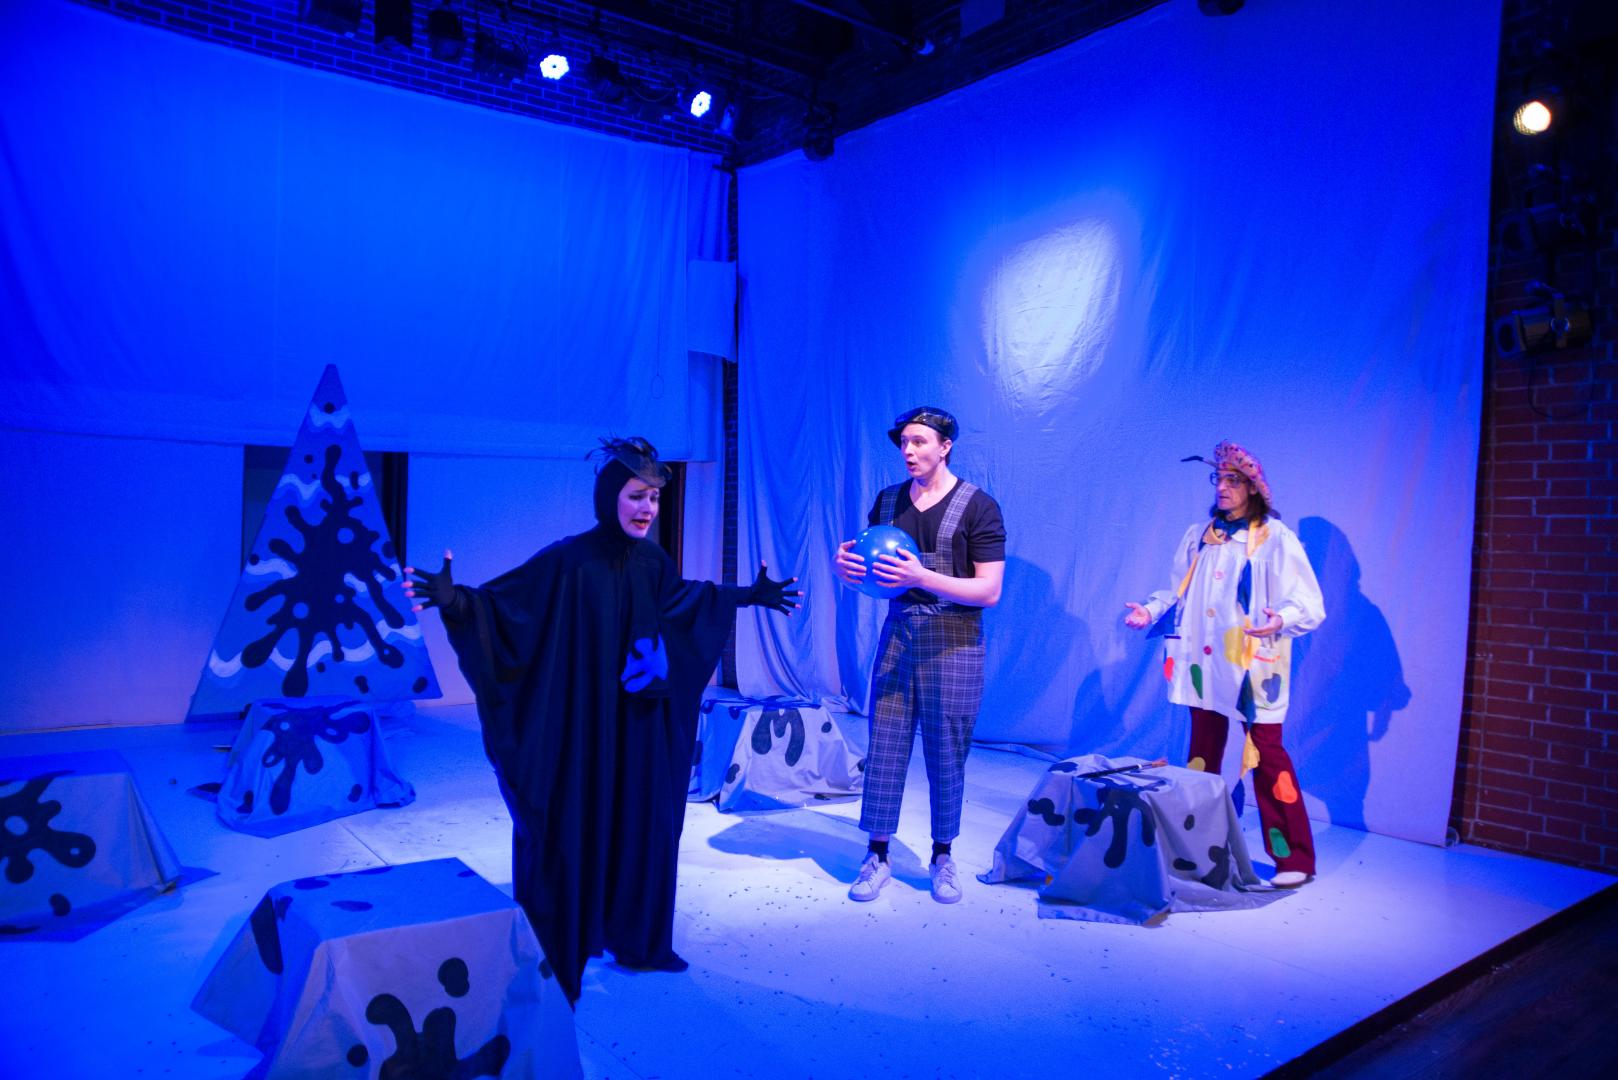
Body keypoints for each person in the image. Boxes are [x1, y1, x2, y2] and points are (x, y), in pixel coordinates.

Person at [404, 437, 798, 1003]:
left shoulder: (653, 562)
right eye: (636, 495)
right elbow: (507, 608)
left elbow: (683, 603)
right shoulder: (569, 560)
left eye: (654, 498)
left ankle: (636, 939)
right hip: (581, 730)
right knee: (570, 828)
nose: (647, 508)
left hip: (637, 731)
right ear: (610, 495)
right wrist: (456, 601)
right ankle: (559, 951)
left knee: (643, 825)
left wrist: (744, 597)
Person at [1123, 441, 1325, 888]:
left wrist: (1280, 618)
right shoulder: (1201, 536)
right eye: (1219, 478)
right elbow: (1177, 591)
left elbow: (1308, 603)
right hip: (1204, 665)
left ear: (1253, 488)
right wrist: (1150, 610)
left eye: (1233, 479)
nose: (1223, 487)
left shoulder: (1275, 538)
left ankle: (1294, 857)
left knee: (1266, 755)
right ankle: (1199, 848)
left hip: (1253, 668)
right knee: (1202, 755)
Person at [833, 407, 1005, 904]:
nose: (908, 451)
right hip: (900, 632)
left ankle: (942, 855)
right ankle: (877, 854)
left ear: (945, 446)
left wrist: (922, 577)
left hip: (955, 639)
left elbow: (989, 590)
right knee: (885, 743)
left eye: (920, 441)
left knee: (946, 749)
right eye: (904, 442)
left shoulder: (979, 506)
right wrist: (848, 569)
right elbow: (874, 574)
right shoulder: (888, 502)